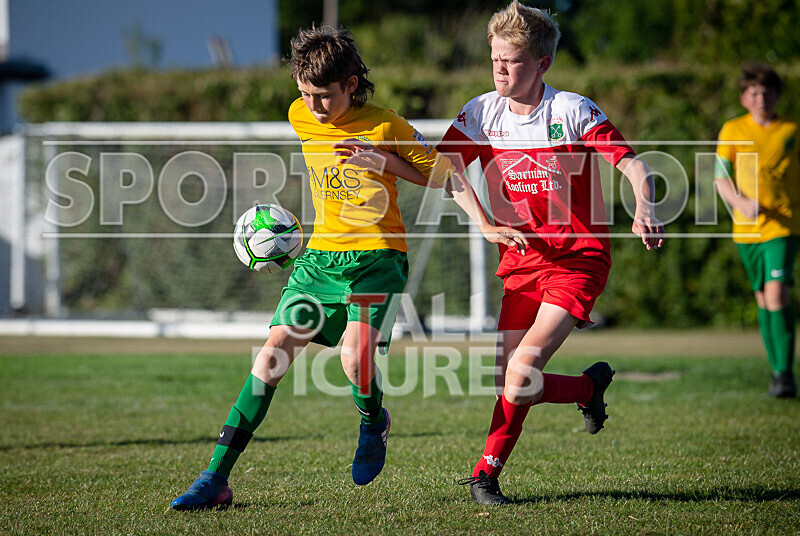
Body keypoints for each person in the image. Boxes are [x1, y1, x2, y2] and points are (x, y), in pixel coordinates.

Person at [170, 25, 527, 511]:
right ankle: (215, 479)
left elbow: (445, 174)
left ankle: (372, 420)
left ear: (352, 84)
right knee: (269, 358)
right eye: (305, 94)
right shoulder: (300, 114)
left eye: (324, 95)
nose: (313, 105)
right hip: (319, 261)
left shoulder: (387, 125)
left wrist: (479, 221)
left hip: (378, 260)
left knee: (353, 361)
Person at [341, 1, 664, 505]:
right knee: (514, 382)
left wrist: (645, 205)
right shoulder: (481, 112)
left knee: (521, 371)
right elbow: (441, 173)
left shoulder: (571, 111)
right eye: (494, 58)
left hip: (577, 259)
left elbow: (631, 164)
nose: (499, 69)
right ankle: (586, 389)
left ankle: (485, 475)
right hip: (521, 260)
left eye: (511, 61)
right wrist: (387, 160)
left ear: (542, 64)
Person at [715, 65, 800, 398]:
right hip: (747, 230)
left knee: (777, 293)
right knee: (764, 297)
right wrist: (739, 201)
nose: (761, 99)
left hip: (785, 225)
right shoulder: (732, 130)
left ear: (777, 96)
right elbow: (721, 177)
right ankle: (776, 369)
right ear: (744, 98)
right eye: (754, 93)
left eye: (767, 93)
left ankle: (785, 375)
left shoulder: (792, 130)